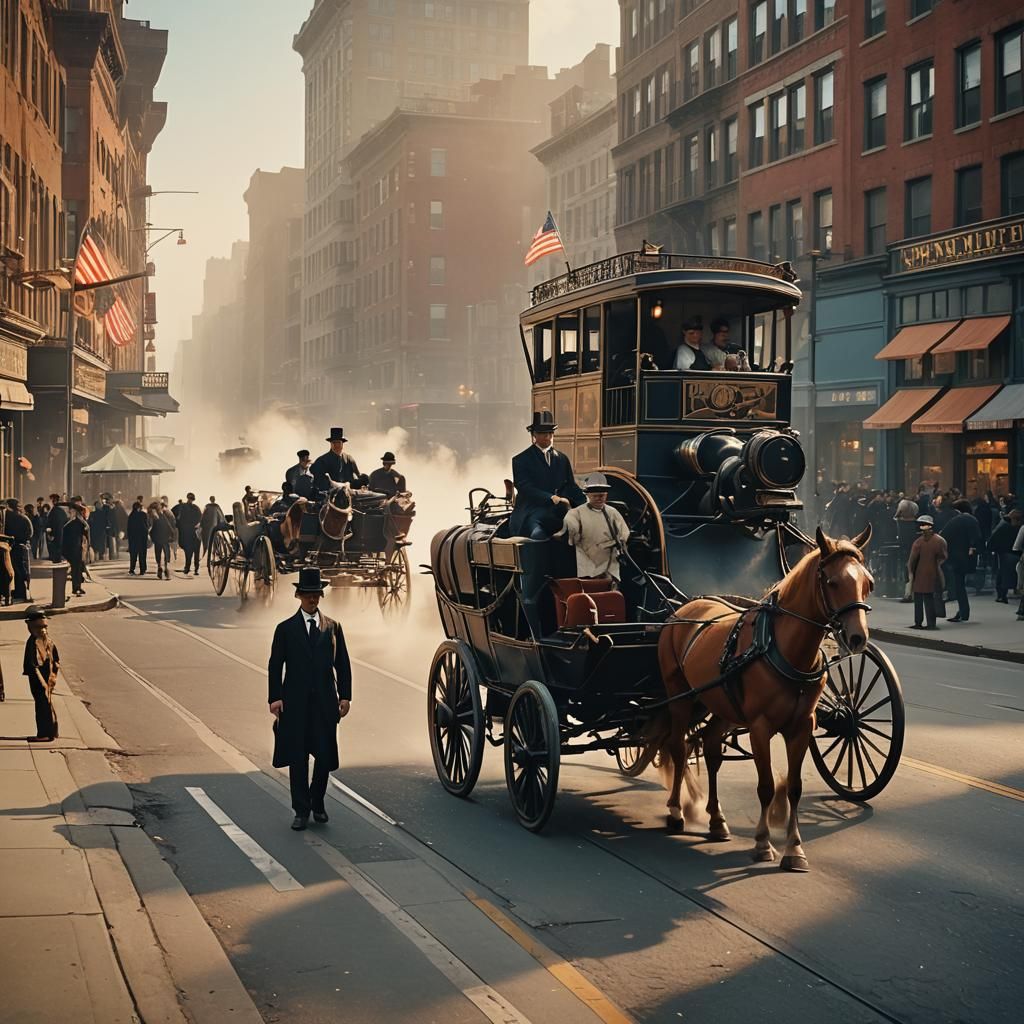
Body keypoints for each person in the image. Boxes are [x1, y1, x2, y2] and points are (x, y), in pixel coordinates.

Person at [268, 567, 352, 831]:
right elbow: (275, 665)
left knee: (325, 757)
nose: (312, 599)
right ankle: (301, 810)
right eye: (308, 595)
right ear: (299, 596)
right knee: (298, 757)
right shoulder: (285, 629)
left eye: (316, 594)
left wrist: (346, 696)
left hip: (326, 703)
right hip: (295, 704)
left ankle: (318, 802)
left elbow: (343, 664)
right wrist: (275, 698)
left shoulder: (333, 627)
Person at [509, 410, 585, 540]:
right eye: (543, 433)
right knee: (538, 536)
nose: (548, 437)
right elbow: (524, 487)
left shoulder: (562, 458)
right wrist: (550, 497)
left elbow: (570, 485)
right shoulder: (520, 460)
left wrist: (586, 502)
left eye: (550, 433)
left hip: (559, 511)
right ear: (534, 435)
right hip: (532, 512)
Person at [557, 473, 630, 581]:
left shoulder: (612, 512)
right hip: (588, 566)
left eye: (602, 496)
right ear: (588, 495)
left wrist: (612, 544)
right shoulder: (576, 513)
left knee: (610, 595)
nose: (599, 499)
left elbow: (624, 534)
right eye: (595, 496)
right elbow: (570, 535)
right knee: (590, 593)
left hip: (610, 566)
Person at [940, 499, 982, 623]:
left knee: (958, 585)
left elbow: (944, 535)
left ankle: (963, 612)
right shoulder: (973, 520)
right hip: (967, 557)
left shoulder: (957, 520)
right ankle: (963, 612)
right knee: (960, 585)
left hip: (956, 557)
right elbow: (977, 538)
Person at [23, 606, 60, 742]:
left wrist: (41, 680)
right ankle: (52, 731)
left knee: (42, 705)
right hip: (48, 677)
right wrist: (53, 677)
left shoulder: (35, 641)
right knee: (47, 703)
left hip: (39, 679)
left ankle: (44, 733)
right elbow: (56, 660)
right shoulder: (46, 639)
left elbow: (34, 663)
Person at [908, 516, 947, 630]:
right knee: (928, 599)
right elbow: (943, 557)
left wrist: (910, 573)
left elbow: (912, 560)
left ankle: (919, 622)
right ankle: (930, 623)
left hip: (923, 574)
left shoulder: (919, 542)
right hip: (931, 573)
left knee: (922, 599)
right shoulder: (939, 540)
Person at [311, 427, 361, 495]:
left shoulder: (349, 459)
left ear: (342, 444)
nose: (336, 445)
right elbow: (319, 483)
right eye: (334, 443)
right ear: (330, 444)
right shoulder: (322, 461)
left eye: (339, 443)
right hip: (329, 496)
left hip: (349, 494)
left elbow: (357, 478)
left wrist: (349, 484)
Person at [988, 508, 1022, 603]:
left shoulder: (1003, 525)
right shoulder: (1008, 527)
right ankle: (1002, 595)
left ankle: (1002, 595)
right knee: (1005, 575)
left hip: (1003, 553)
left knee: (1002, 574)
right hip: (1008, 553)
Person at [4, 499, 33, 602]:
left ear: (8, 506)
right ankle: (21, 592)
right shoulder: (23, 518)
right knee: (20, 569)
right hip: (21, 545)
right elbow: (30, 533)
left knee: (12, 569)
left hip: (11, 545)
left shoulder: (7, 517)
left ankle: (16, 593)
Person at [61, 502, 90, 597]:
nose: (69, 512)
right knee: (76, 569)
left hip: (75, 549)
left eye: (71, 511)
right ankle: (76, 587)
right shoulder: (74, 523)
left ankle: (77, 587)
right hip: (74, 549)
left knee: (76, 569)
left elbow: (85, 534)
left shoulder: (75, 523)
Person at [175, 493, 203, 576]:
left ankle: (187, 568)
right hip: (195, 532)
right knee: (196, 552)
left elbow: (178, 519)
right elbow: (200, 520)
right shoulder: (196, 508)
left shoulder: (182, 507)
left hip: (186, 532)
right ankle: (196, 569)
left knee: (188, 552)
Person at [149, 502, 174, 580]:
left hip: (157, 540)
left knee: (158, 554)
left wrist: (153, 538)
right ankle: (166, 570)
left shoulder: (153, 518)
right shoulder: (163, 516)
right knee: (166, 554)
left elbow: (151, 530)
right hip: (165, 539)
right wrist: (172, 536)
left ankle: (159, 567)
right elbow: (169, 527)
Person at [126, 501, 150, 575]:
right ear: (140, 508)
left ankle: (132, 569)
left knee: (133, 555)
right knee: (142, 554)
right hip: (142, 538)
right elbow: (147, 525)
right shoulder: (143, 515)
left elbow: (128, 528)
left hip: (133, 539)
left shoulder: (131, 516)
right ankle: (142, 569)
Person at [46, 495, 67, 562]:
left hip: (54, 534)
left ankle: (56, 559)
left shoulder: (53, 512)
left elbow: (49, 523)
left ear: (53, 501)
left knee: (55, 549)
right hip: (62, 533)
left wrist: (50, 533)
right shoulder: (62, 511)